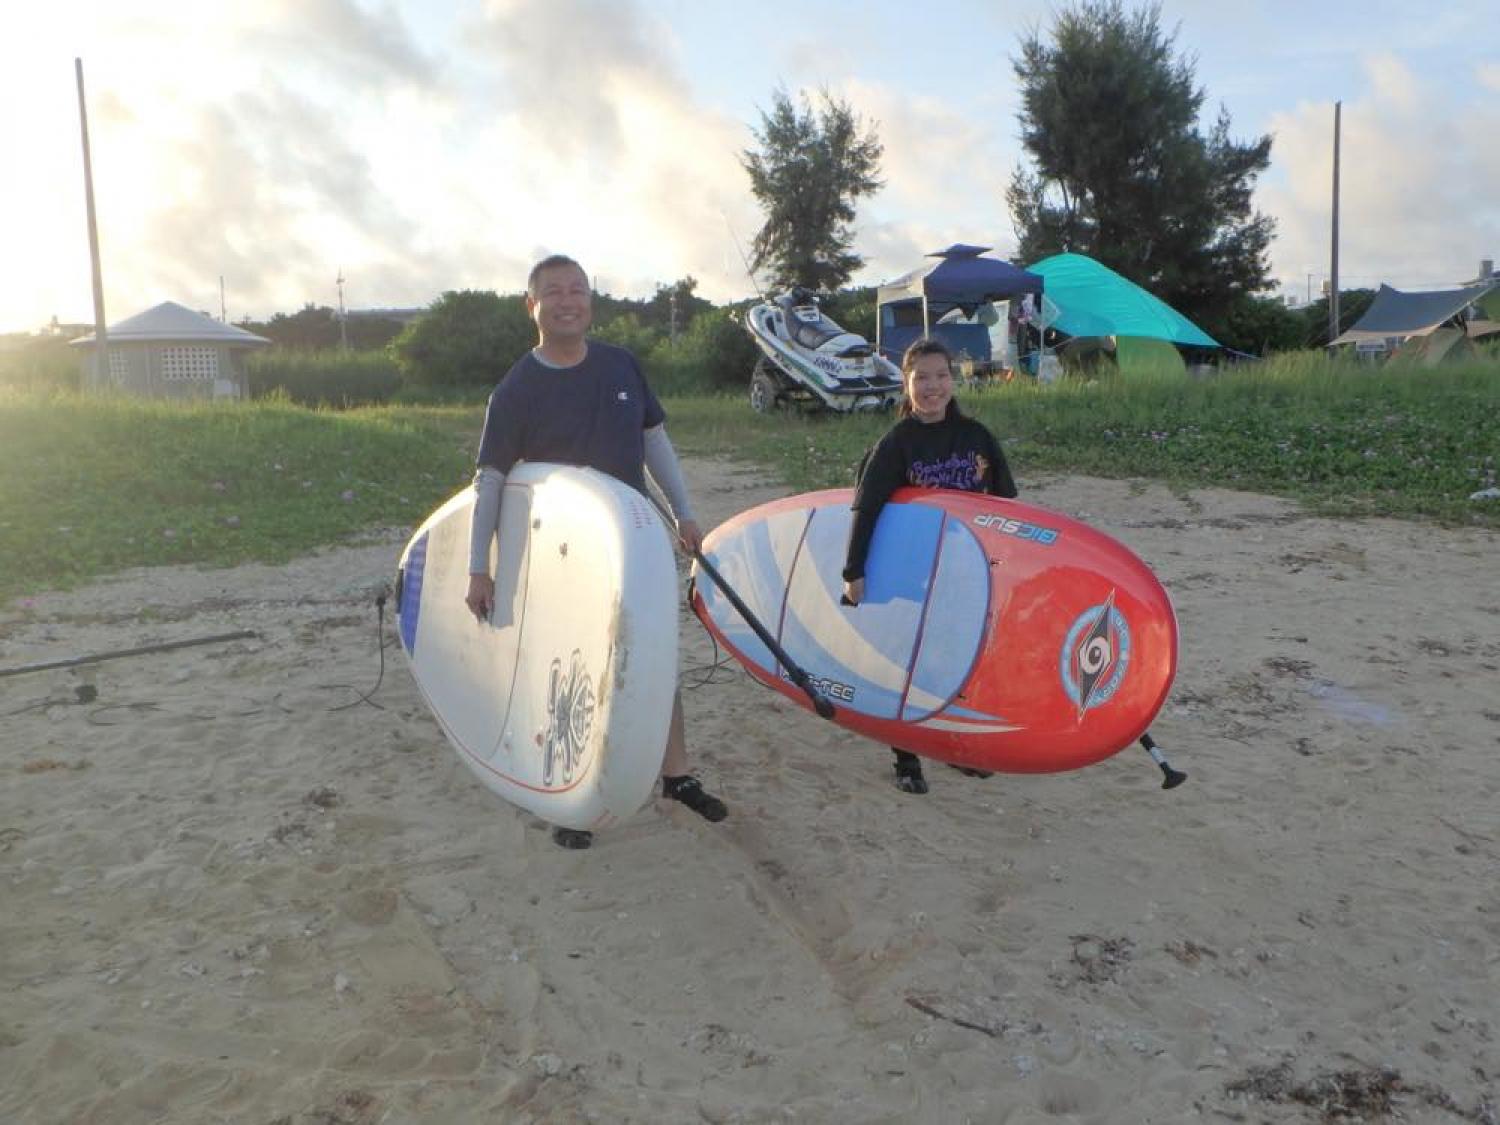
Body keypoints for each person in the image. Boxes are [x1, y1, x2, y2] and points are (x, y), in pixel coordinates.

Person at [464, 253, 727, 848]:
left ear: (590, 301)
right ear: (532, 306)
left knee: (653, 657)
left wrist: (683, 511)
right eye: (553, 292)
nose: (567, 301)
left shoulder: (620, 366)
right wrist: (480, 567)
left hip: (632, 543)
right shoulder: (516, 389)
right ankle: (565, 793)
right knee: (566, 669)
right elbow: (491, 481)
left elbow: (654, 440)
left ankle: (677, 776)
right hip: (558, 556)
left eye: (577, 290)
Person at [841, 337, 1018, 795]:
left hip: (968, 573)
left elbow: (1007, 509)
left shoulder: (977, 437)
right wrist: (853, 573)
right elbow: (866, 508)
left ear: (953, 381)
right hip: (914, 574)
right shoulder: (897, 443)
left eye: (941, 376)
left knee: (959, 663)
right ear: (906, 383)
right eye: (921, 378)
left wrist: (1008, 567)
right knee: (910, 664)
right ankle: (905, 755)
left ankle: (952, 748)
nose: (932, 386)